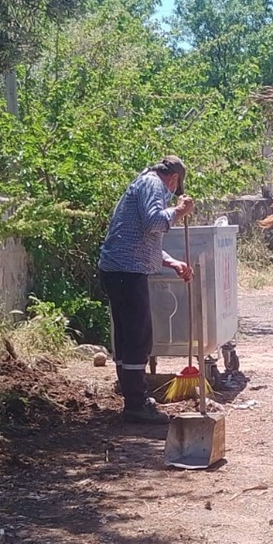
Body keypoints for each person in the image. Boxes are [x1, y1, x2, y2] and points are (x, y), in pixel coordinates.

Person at [98, 155, 195, 424]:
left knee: (129, 336)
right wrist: (179, 211)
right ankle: (135, 404)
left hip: (119, 269)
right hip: (126, 271)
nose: (172, 195)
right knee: (138, 337)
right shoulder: (153, 185)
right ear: (173, 179)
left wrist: (172, 261)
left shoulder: (142, 184)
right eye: (175, 190)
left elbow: (142, 238)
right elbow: (154, 222)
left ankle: (134, 396)